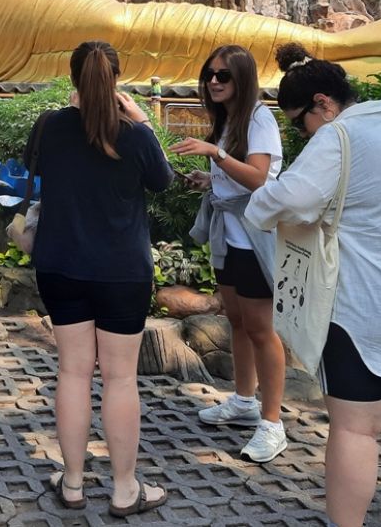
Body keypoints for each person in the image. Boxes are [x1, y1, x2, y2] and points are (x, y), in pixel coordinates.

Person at [245, 43, 381, 527]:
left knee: (356, 430)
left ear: (324, 103)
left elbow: (285, 201)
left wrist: (259, 204)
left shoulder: (337, 137)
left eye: (299, 123)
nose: (302, 135)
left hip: (365, 305)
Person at [27, 40, 173, 517]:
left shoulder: (48, 128)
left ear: (73, 79)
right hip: (121, 272)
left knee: (71, 371)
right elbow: (163, 181)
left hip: (60, 263)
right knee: (119, 378)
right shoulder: (133, 134)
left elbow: (43, 168)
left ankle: (71, 483)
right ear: (116, 80)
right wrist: (144, 121)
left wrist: (77, 109)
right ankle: (125, 488)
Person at [170, 46, 287, 462]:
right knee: (236, 320)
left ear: (242, 79)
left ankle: (273, 423)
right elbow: (236, 175)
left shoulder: (259, 118)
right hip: (228, 233)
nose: (214, 81)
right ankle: (243, 400)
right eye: (209, 75)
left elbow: (258, 179)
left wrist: (215, 154)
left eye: (224, 75)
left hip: (253, 236)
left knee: (261, 328)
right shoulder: (229, 120)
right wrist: (210, 177)